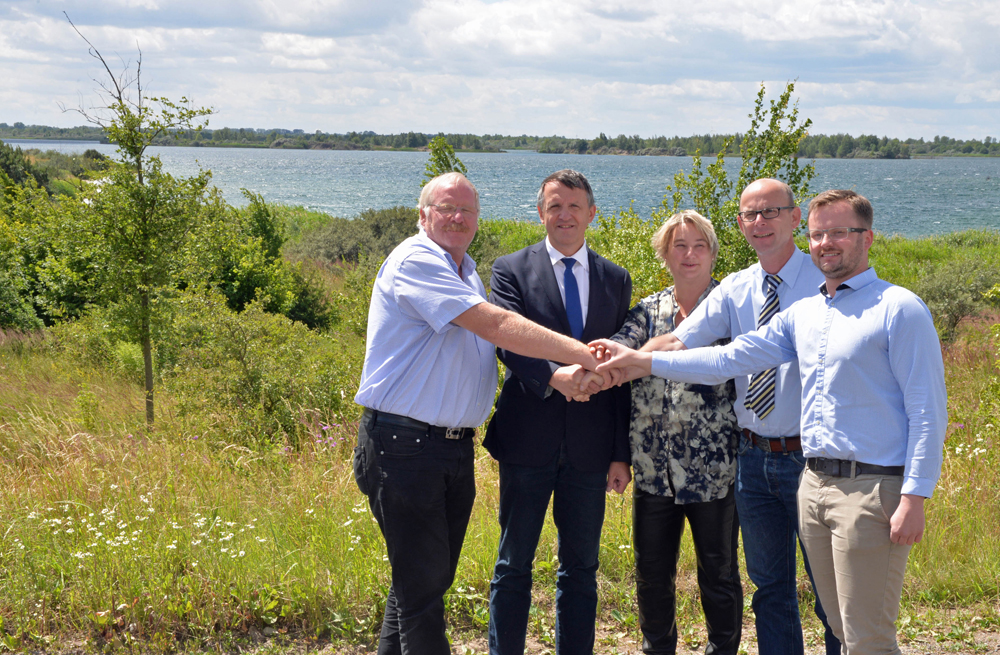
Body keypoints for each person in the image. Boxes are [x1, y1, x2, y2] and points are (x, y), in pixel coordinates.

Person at [591, 189, 947, 655]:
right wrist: (639, 362)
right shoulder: (805, 312)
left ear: (868, 237)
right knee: (820, 614)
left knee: (865, 635)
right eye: (819, 235)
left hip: (869, 486)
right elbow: (727, 358)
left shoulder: (899, 308)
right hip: (805, 479)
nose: (826, 243)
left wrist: (915, 495)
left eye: (839, 232)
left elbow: (927, 411)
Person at [353, 172, 606, 655]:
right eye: (446, 208)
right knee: (422, 590)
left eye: (467, 210)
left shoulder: (464, 269)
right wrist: (585, 355)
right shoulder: (417, 260)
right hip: (405, 447)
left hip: (447, 448)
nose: (457, 218)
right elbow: (498, 325)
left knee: (419, 585)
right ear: (422, 215)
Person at [633, 178, 839, 655]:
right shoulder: (735, 288)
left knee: (830, 590)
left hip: (813, 460)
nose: (760, 222)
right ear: (741, 224)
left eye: (771, 212)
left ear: (795, 218)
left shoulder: (825, 280)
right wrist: (622, 361)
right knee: (771, 590)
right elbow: (680, 339)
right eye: (750, 214)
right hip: (752, 459)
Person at [483, 169, 632, 655]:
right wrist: (554, 376)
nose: (564, 215)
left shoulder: (616, 278)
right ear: (540, 212)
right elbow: (506, 340)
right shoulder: (510, 269)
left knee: (581, 568)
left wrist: (620, 453)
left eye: (574, 206)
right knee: (513, 564)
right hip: (527, 441)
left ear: (592, 213)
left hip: (591, 449)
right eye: (554, 206)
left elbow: (621, 368)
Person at [607, 210, 742, 655]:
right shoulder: (647, 311)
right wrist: (610, 361)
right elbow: (620, 354)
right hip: (653, 472)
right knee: (651, 575)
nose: (689, 255)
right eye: (679, 246)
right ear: (664, 254)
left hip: (715, 472)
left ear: (713, 253)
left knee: (719, 575)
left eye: (699, 246)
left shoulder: (731, 311)